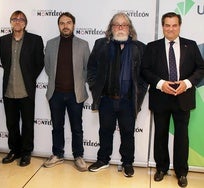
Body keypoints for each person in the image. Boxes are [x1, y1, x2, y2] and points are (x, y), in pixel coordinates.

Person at [141, 12, 204, 187]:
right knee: (160, 135)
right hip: (161, 97)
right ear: (162, 27)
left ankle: (182, 172)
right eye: (167, 25)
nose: (170, 29)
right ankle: (161, 168)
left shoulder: (190, 46)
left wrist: (187, 83)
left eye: (174, 25)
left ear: (179, 26)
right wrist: (161, 83)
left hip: (183, 98)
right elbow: (144, 70)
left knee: (182, 137)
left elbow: (201, 68)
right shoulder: (152, 47)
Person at [87, 12, 147, 177]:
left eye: (124, 24)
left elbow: (144, 76)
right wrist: (95, 87)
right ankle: (103, 160)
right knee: (105, 131)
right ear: (111, 28)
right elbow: (91, 69)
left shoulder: (139, 47)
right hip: (106, 99)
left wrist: (139, 94)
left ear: (129, 28)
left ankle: (127, 163)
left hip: (128, 102)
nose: (120, 27)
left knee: (128, 134)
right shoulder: (101, 44)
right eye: (117, 24)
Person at [43, 12, 90, 172]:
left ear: (74, 25)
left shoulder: (83, 44)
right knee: (57, 126)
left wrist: (77, 83)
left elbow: (87, 69)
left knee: (77, 127)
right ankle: (58, 154)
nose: (65, 26)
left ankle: (78, 156)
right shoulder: (50, 44)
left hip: (75, 94)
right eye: (62, 23)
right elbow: (48, 68)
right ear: (58, 26)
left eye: (68, 22)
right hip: (55, 93)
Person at [0, 10, 44, 167]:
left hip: (26, 91)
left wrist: (30, 78)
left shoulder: (35, 40)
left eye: (21, 19)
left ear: (25, 23)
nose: (17, 21)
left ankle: (26, 153)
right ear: (10, 22)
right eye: (14, 19)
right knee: (11, 124)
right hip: (8, 90)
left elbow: (40, 63)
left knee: (27, 124)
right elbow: (4, 62)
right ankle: (14, 150)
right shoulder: (3, 40)